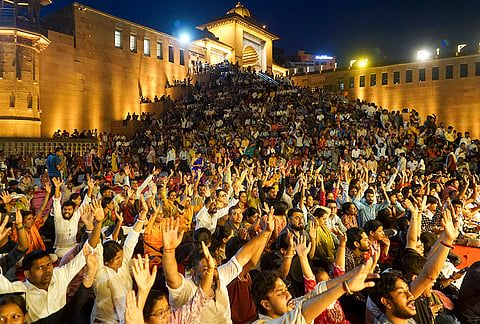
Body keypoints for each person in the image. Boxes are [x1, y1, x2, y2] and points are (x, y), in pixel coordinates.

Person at [162, 210, 275, 323]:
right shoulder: (186, 289)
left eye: (214, 268)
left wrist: (266, 232)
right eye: (206, 269)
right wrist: (169, 251)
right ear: (194, 273)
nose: (213, 272)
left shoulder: (219, 277)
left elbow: (242, 256)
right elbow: (172, 278)